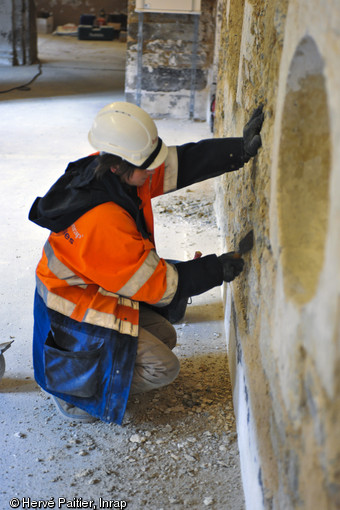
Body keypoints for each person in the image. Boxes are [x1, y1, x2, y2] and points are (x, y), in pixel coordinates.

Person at [29, 101, 264, 424]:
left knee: (165, 335)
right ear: (116, 165)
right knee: (163, 367)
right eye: (147, 166)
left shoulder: (108, 173)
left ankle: (87, 378)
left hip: (88, 291)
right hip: (73, 311)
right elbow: (155, 285)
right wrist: (214, 269)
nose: (154, 170)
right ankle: (75, 395)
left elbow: (178, 164)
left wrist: (237, 150)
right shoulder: (104, 221)